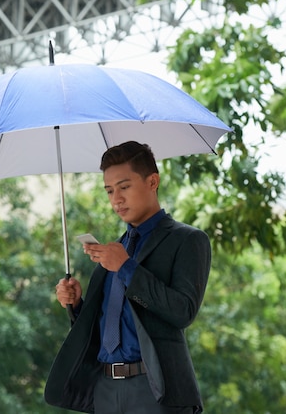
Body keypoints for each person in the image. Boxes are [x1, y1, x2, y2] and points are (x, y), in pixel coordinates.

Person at [44, 141, 211, 414]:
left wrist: (126, 267)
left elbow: (183, 311)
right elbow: (110, 322)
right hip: (105, 389)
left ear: (152, 181)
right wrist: (75, 304)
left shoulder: (188, 240)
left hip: (156, 391)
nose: (116, 199)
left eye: (124, 187)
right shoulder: (115, 250)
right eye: (109, 190)